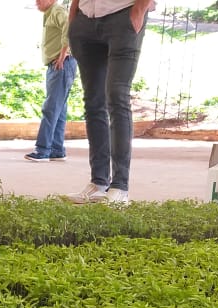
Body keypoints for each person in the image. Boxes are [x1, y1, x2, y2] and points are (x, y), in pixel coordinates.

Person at [63, 0, 151, 205]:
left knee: (117, 96)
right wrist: (73, 16)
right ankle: (98, 183)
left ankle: (120, 186)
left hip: (123, 14)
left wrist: (138, 10)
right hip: (85, 20)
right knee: (93, 103)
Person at [24, 0, 76, 163]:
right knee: (58, 110)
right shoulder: (51, 13)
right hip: (58, 65)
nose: (37, 2)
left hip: (60, 64)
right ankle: (56, 149)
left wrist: (62, 55)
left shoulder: (57, 10)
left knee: (51, 108)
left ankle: (43, 150)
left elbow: (69, 28)